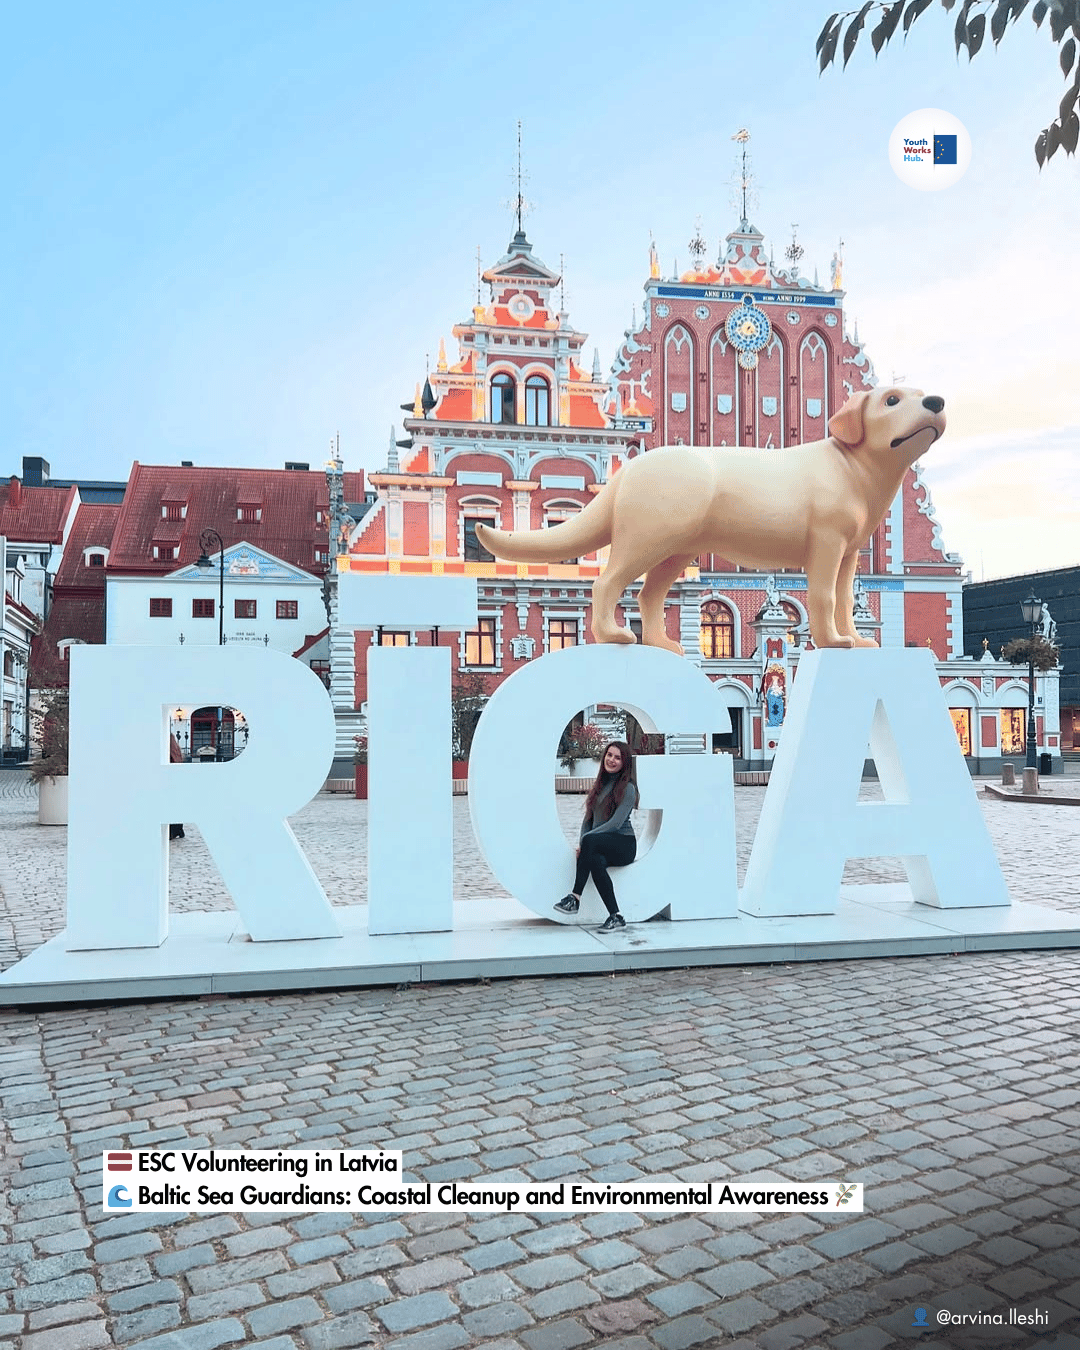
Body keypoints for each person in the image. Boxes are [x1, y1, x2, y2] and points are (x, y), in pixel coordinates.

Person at [554, 740, 638, 931]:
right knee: (596, 861)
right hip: (600, 843)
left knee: (590, 842)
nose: (612, 760)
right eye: (609, 755)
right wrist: (584, 842)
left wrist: (587, 840)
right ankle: (616, 916)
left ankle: (574, 897)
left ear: (625, 763)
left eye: (618, 757)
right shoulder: (599, 784)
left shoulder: (628, 788)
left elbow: (616, 824)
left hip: (623, 844)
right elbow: (588, 819)